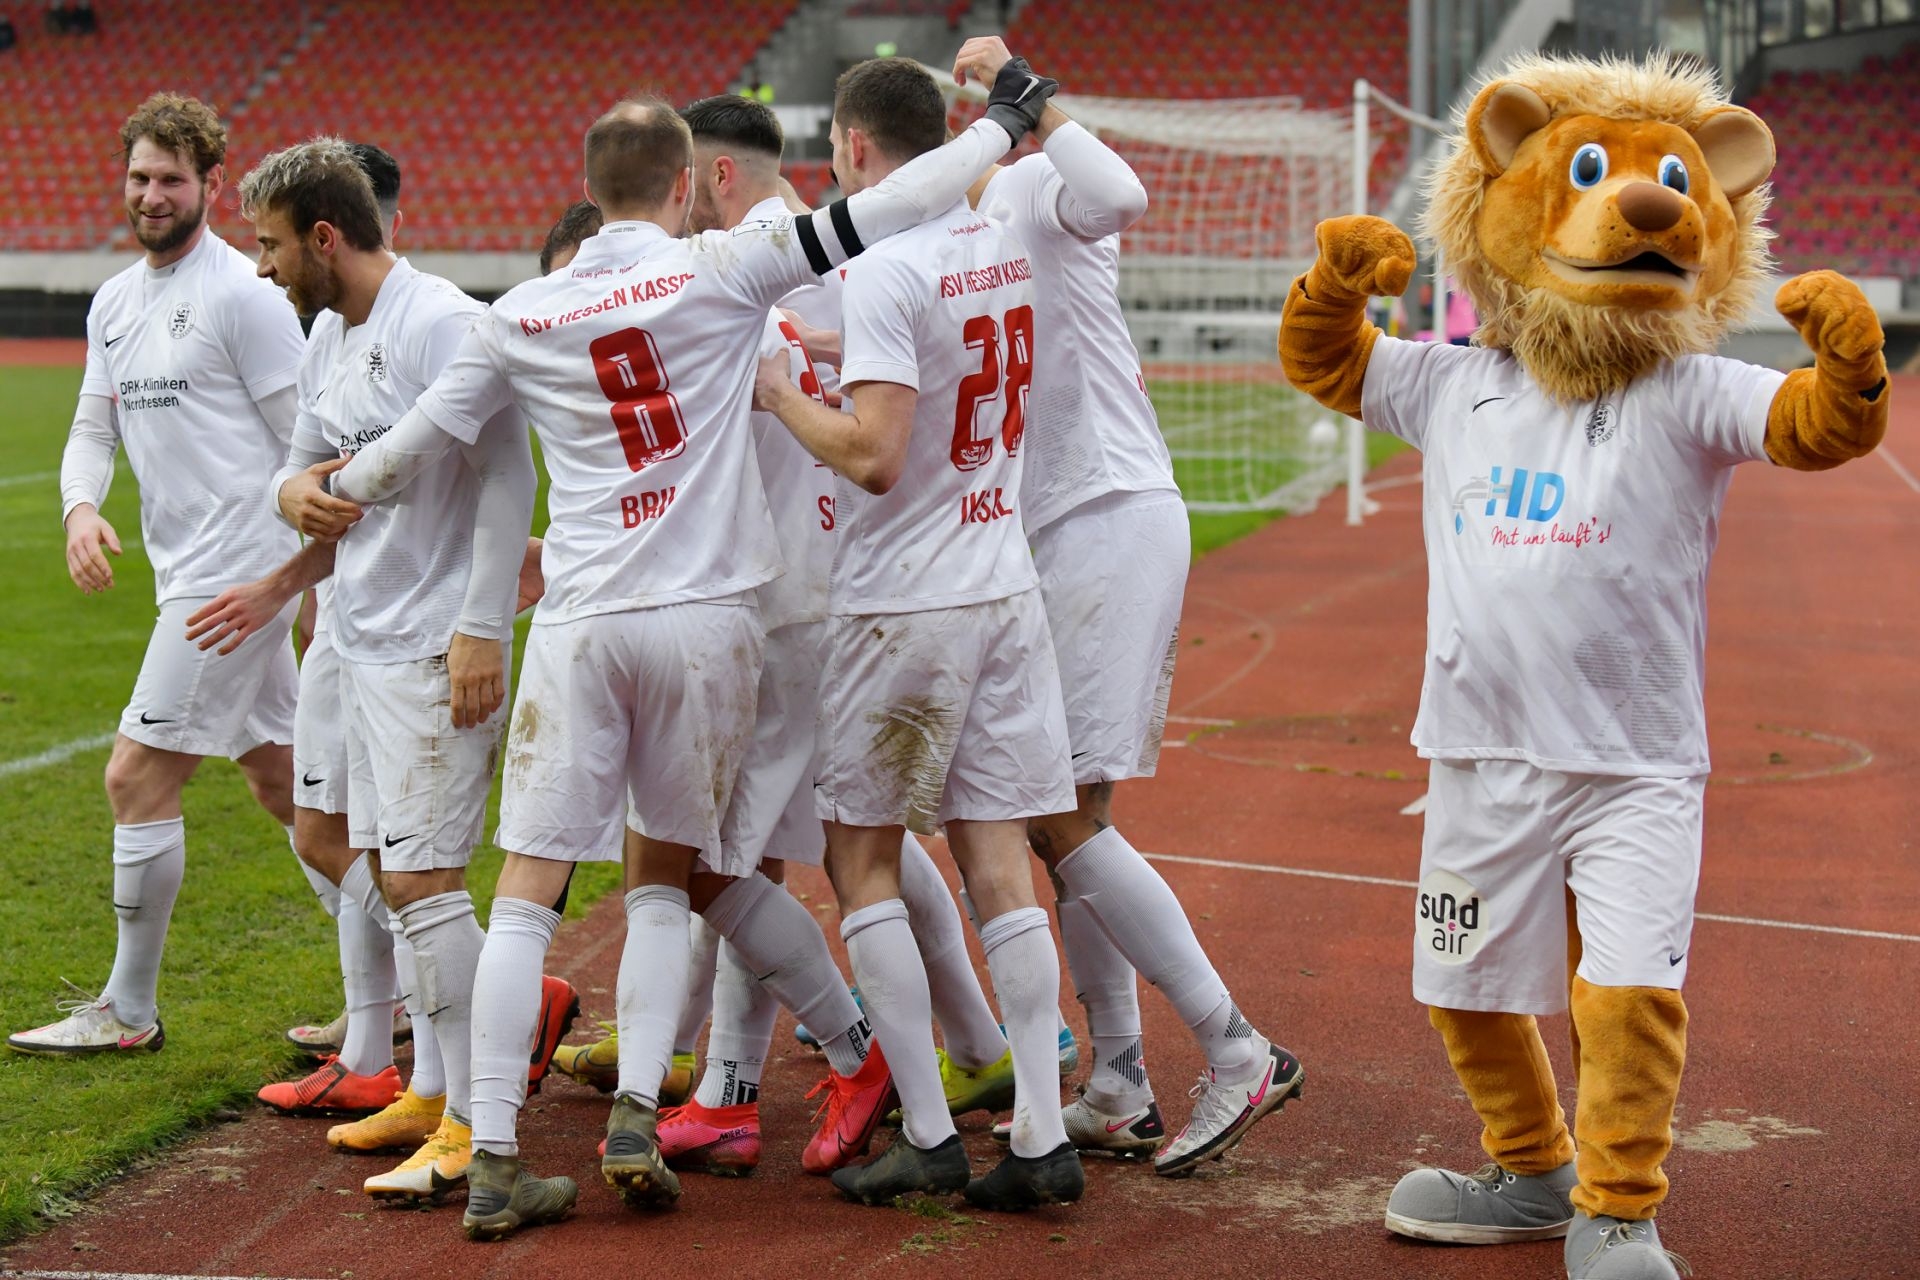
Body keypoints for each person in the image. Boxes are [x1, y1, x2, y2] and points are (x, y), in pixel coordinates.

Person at [323, 77, 1057, 1240]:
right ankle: (630, 1115)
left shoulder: (520, 312)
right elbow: (895, 202)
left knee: (526, 888)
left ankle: (500, 1152)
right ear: (682, 186)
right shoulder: (729, 268)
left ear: (587, 188)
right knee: (666, 874)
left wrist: (324, 491)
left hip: (584, 616)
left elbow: (414, 447)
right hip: (711, 619)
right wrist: (999, 132)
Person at [956, 35, 1304, 1177]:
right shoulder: (937, 227)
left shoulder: (1028, 184)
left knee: (1056, 813)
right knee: (1057, 817)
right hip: (1059, 527)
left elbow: (1122, 190)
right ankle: (1116, 1077)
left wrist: (1030, 104)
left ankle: (1232, 1044)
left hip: (1106, 508)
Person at [751, 54, 1080, 1212]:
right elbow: (937, 370)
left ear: (850, 150)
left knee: (860, 855)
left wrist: (784, 394)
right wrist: (836, 355)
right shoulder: (996, 240)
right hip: (1003, 583)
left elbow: (878, 457)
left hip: (907, 602)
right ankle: (1040, 1129)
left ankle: (934, 1132)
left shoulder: (883, 267)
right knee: (997, 855)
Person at [237, 136, 559, 1202]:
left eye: (274, 245)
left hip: (430, 641)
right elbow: (297, 462)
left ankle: (478, 1117)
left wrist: (480, 627)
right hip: (362, 632)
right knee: (384, 864)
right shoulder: (331, 328)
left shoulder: (443, 320)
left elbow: (509, 474)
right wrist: (290, 496)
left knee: (423, 881)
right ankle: (432, 1086)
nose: (265, 266)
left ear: (326, 236)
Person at [12, 93, 306, 1058]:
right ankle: (417, 984)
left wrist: (302, 581)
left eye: (171, 179)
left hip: (234, 580)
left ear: (212, 185)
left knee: (135, 775)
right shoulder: (114, 301)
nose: (150, 195)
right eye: (139, 177)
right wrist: (80, 509)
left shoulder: (246, 296)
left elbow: (310, 440)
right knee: (288, 787)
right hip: (196, 574)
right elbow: (93, 428)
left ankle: (128, 1011)